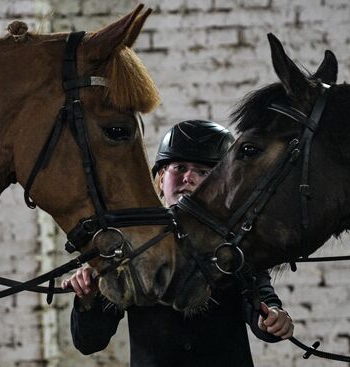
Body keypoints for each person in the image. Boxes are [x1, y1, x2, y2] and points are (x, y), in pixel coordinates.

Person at [62, 120, 294, 367]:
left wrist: (273, 317)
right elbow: (89, 342)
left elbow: (261, 306)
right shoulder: (130, 245)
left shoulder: (238, 245)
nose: (189, 177)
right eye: (179, 167)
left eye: (204, 172)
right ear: (161, 180)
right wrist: (88, 300)